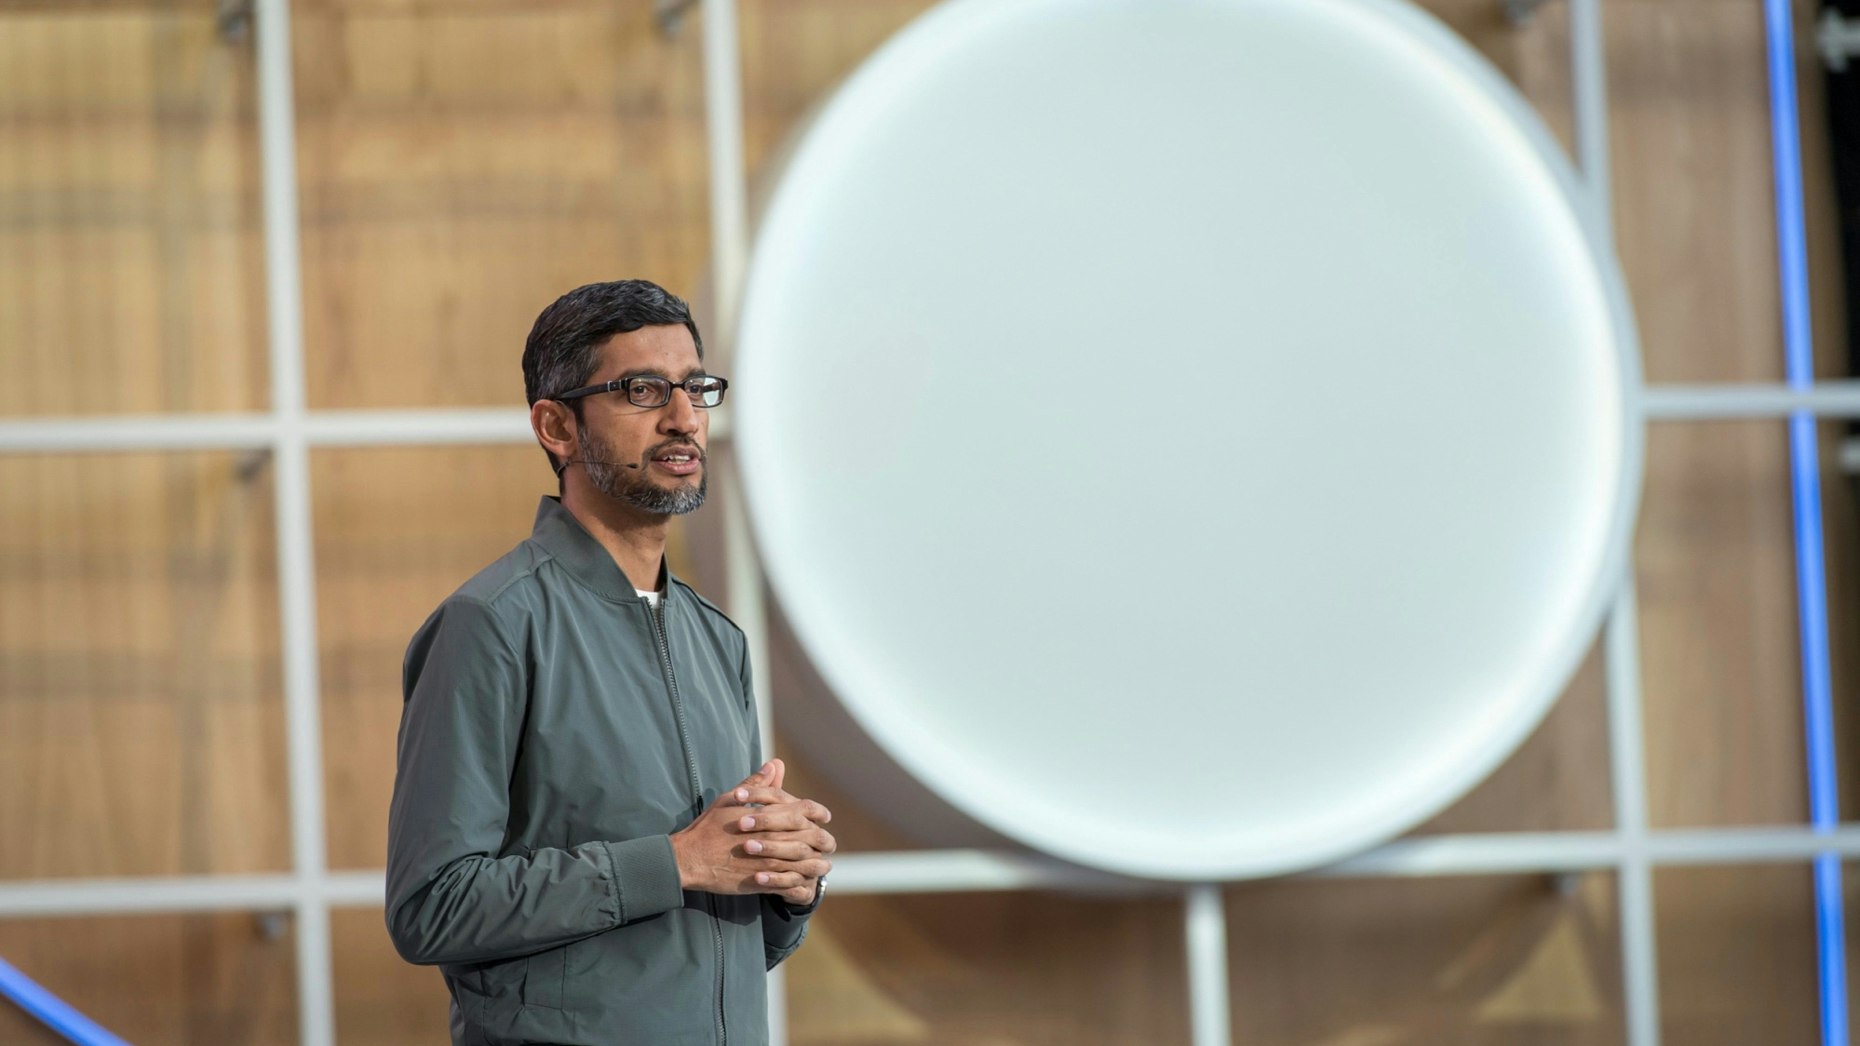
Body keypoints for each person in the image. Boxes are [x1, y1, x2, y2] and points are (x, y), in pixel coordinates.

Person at [385, 279, 834, 1046]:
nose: (685, 417)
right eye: (642, 389)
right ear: (557, 425)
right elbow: (432, 907)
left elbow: (728, 946)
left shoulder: (716, 639)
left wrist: (786, 881)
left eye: (695, 387)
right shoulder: (491, 624)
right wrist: (676, 862)